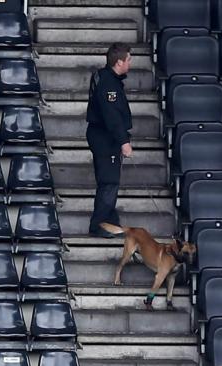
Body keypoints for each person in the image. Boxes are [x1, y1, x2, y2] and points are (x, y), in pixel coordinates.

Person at [85, 42, 134, 238]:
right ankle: (100, 225)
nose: (130, 63)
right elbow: (111, 116)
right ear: (119, 62)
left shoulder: (105, 78)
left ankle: (111, 223)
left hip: (103, 137)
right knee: (109, 183)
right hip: (106, 139)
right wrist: (124, 142)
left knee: (109, 182)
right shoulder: (109, 84)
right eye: (128, 60)